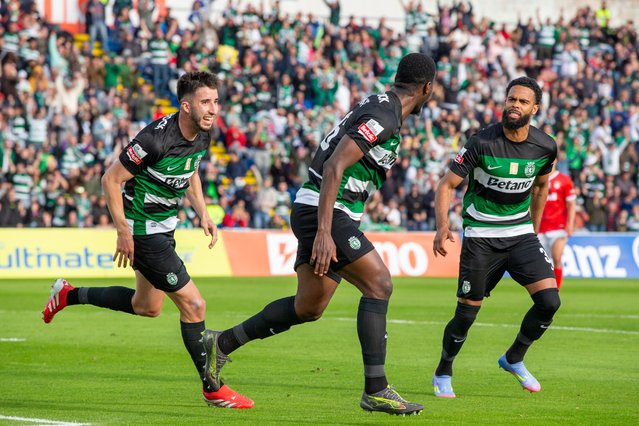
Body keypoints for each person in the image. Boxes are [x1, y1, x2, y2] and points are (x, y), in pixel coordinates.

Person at [201, 53, 437, 415]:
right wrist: (325, 231)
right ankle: (376, 389)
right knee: (379, 285)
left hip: (322, 210)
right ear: (427, 89)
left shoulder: (382, 106)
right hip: (323, 213)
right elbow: (333, 166)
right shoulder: (384, 116)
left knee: (308, 307)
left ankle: (222, 343)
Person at [42, 71, 253, 409]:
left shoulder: (201, 134)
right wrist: (124, 231)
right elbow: (110, 179)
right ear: (186, 106)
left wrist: (203, 212)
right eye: (205, 102)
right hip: (143, 232)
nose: (214, 109)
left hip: (164, 228)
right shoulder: (154, 140)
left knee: (147, 307)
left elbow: (191, 170)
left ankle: (68, 294)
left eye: (215, 101)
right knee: (194, 305)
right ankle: (212, 387)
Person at [431, 76, 560, 398]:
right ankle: (443, 370)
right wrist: (442, 225)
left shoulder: (545, 146)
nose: (515, 105)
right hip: (481, 237)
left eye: (522, 101)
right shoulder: (481, 143)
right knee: (467, 313)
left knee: (549, 301)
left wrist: (535, 229)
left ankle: (514, 358)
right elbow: (446, 185)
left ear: (535, 108)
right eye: (511, 99)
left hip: (520, 234)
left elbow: (542, 186)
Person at [538, 161, 576, 290]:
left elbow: (571, 204)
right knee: (543, 263)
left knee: (557, 256)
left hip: (559, 227)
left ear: (556, 161)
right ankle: (545, 290)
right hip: (541, 228)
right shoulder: (538, 178)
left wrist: (570, 224)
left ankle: (556, 290)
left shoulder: (564, 180)